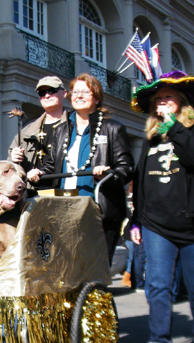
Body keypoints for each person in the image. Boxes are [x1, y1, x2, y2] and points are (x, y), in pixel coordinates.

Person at [130, 70, 194, 343]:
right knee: (156, 284)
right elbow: (141, 180)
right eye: (158, 100)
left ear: (182, 102)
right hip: (158, 224)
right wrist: (136, 220)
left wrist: (176, 128)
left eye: (168, 97)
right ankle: (160, 341)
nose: (162, 104)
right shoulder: (151, 139)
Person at [40, 74, 134, 258]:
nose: (79, 96)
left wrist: (109, 175)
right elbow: (51, 166)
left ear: (97, 98)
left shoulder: (113, 128)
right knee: (67, 269)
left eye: (85, 91)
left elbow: (126, 167)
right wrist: (39, 172)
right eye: (76, 92)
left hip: (99, 211)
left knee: (94, 273)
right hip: (64, 210)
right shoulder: (61, 130)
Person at [8, 76, 68, 184]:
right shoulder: (26, 133)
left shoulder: (73, 126)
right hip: (34, 194)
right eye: (42, 93)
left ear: (64, 93)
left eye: (52, 91)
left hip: (65, 192)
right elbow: (9, 169)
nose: (47, 95)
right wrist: (13, 160)